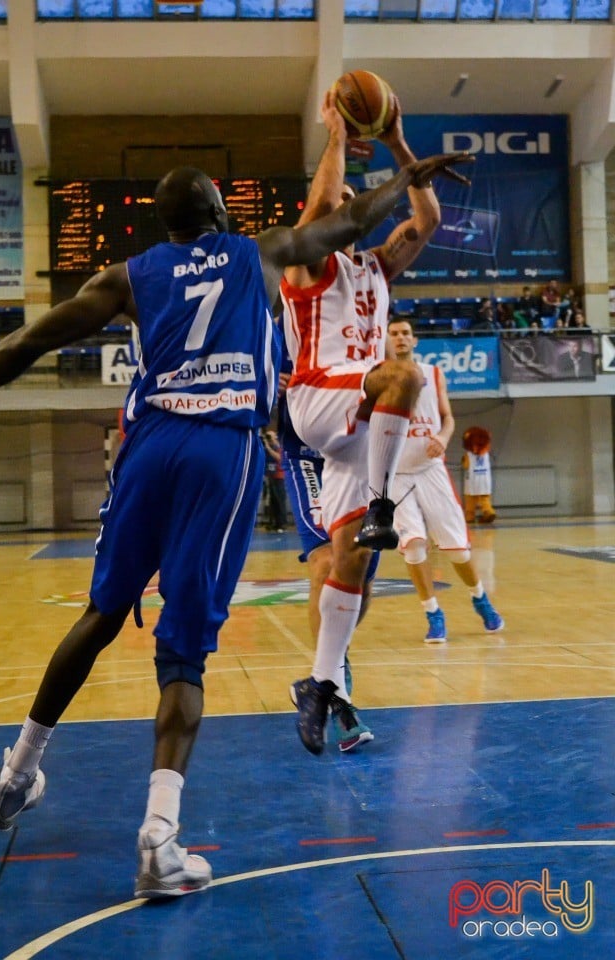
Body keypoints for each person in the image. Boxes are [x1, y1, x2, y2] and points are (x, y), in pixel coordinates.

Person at [0, 157, 472, 895]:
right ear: (218, 214)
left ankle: (17, 773)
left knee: (101, 613)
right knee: (183, 654)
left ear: (166, 225)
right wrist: (408, 174)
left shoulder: (127, 275)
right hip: (221, 450)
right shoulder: (259, 251)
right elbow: (354, 221)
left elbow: (25, 345)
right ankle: (159, 839)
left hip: (147, 450)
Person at [280, 89, 472, 753]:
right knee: (406, 376)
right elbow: (319, 213)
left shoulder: (376, 268)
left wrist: (398, 143)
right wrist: (335, 134)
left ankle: (320, 684)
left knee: (352, 564)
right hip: (317, 399)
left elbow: (428, 219)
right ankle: (388, 503)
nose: (352, 216)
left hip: (359, 430)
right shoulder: (307, 261)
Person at [276, 358, 377, 753]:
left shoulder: (365, 324)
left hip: (357, 455)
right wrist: (270, 385)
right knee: (325, 562)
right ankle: (338, 697)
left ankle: (325, 670)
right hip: (307, 455)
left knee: (359, 578)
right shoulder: (284, 324)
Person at [387, 316, 504, 644]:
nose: (400, 338)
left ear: (415, 340)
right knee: (413, 546)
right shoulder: (376, 377)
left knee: (457, 550)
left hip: (430, 468)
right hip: (396, 474)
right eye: (394, 333)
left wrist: (442, 435)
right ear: (385, 340)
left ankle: (480, 597)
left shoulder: (433, 372)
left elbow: (449, 417)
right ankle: (433, 613)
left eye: (406, 333)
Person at [261, 427, 288, 531]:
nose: (268, 438)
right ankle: (274, 523)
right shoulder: (267, 447)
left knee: (280, 500)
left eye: (270, 436)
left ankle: (282, 524)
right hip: (270, 476)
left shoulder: (278, 446)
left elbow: (279, 458)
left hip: (279, 476)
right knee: (272, 501)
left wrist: (269, 447)